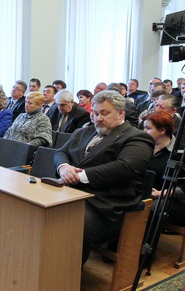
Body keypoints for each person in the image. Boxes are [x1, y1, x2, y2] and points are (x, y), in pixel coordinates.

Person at [54, 90, 154, 264]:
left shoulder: (137, 137)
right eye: (95, 113)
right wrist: (63, 167)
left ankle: (64, 275)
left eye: (104, 113)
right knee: (36, 211)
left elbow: (126, 167)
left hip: (105, 203)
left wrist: (80, 176)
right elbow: (60, 152)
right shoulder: (83, 132)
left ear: (120, 113)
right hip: (71, 192)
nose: (98, 118)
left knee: (70, 225)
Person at [142, 111, 185, 226]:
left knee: (145, 209)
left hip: (170, 199)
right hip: (143, 193)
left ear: (162, 130)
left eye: (148, 128)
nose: (144, 131)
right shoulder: (143, 147)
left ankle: (140, 238)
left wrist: (161, 193)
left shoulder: (182, 153)